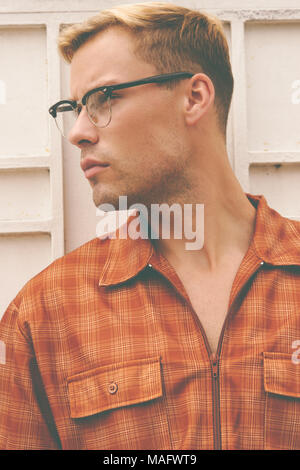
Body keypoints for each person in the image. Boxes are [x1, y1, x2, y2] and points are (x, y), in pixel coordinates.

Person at [0, 2, 299, 451]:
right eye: (75, 107)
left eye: (104, 98)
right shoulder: (46, 313)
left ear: (194, 97)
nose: (77, 132)